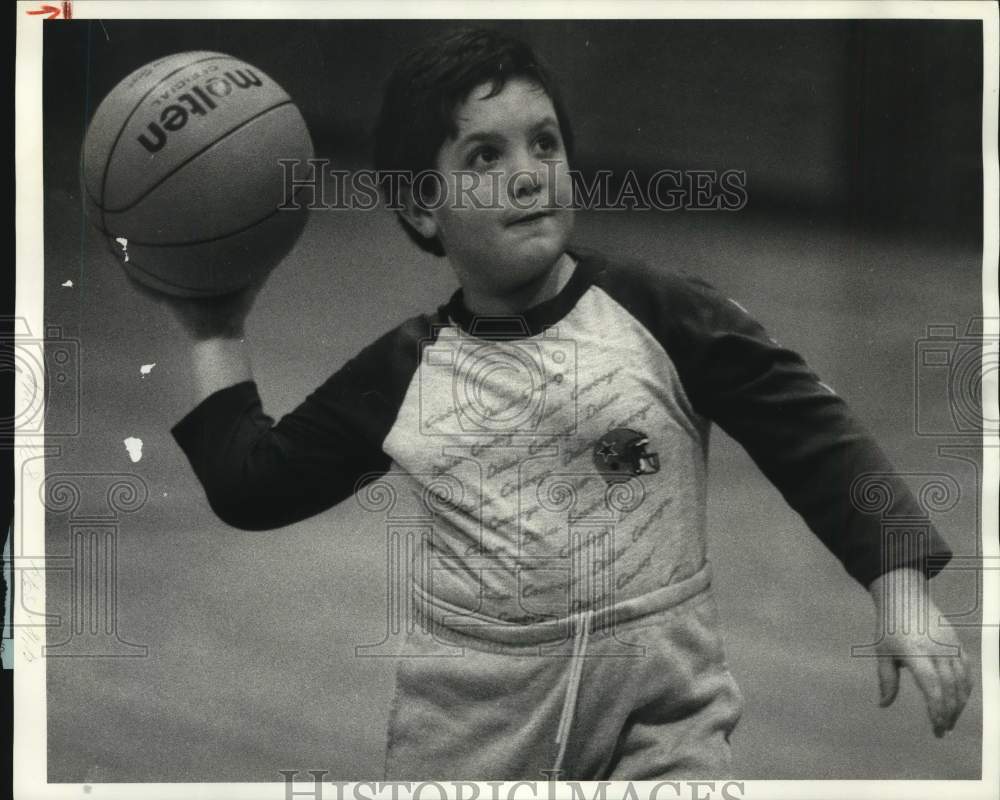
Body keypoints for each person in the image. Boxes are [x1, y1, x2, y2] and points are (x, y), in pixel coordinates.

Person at [151, 28, 971, 780]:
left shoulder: (659, 312)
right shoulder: (407, 370)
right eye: (482, 155)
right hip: (469, 745)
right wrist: (215, 328)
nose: (527, 170)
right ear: (419, 207)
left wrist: (898, 587)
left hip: (664, 728)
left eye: (544, 142)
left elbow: (818, 435)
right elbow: (253, 484)